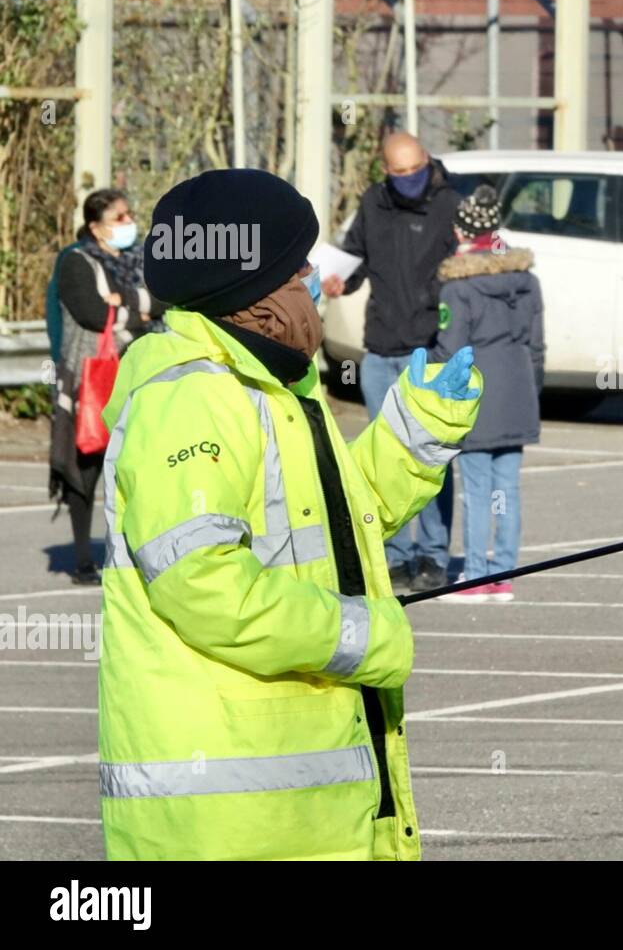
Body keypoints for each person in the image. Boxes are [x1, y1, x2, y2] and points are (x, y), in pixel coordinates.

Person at [98, 169, 481, 860]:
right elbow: (203, 583)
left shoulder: (272, 385)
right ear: (252, 291)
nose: (313, 278)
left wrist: (418, 428)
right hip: (235, 821)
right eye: (297, 266)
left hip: (306, 805)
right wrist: (360, 634)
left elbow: (338, 527)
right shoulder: (193, 396)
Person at [323, 131, 460, 594]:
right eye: (397, 173)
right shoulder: (373, 204)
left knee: (431, 455)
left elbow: (468, 266)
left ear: (426, 161)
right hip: (380, 346)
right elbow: (355, 258)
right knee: (386, 457)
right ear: (386, 170)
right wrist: (340, 280)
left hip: (429, 346)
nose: (407, 180)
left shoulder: (449, 205)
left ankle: (434, 555)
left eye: (414, 170)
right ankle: (396, 555)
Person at [432, 185, 544, 604]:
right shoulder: (527, 280)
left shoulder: (458, 287)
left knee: (477, 490)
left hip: (478, 394)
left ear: (462, 233)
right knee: (506, 490)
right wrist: (532, 394)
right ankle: (505, 575)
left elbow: (451, 351)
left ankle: (475, 575)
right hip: (517, 390)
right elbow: (537, 347)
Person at [48, 189, 163, 585]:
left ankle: (137, 551)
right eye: (119, 217)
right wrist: (141, 312)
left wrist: (127, 302)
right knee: (87, 464)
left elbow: (164, 300)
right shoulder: (76, 262)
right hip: (90, 377)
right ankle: (82, 558)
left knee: (141, 466)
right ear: (96, 227)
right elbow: (94, 314)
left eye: (129, 214)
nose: (129, 222)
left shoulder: (139, 260)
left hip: (139, 373)